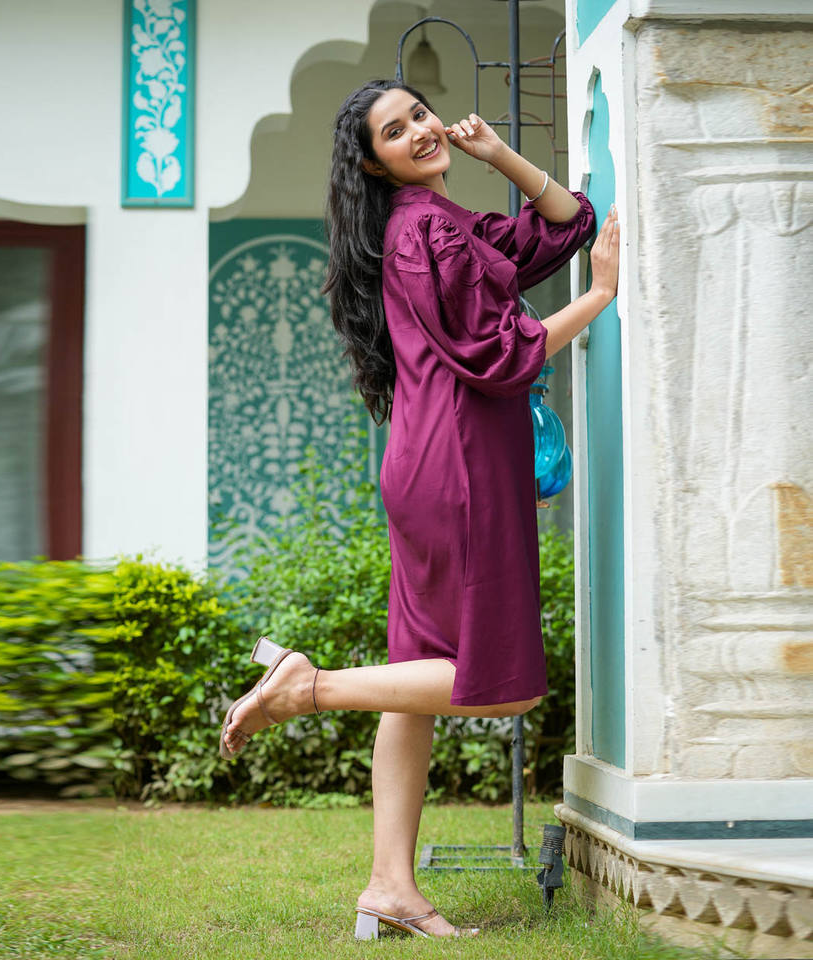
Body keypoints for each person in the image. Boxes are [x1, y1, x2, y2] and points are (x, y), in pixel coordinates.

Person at [220, 79, 620, 940]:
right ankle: (308, 687)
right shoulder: (427, 232)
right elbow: (501, 355)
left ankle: (388, 887)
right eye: (394, 131)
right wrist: (597, 299)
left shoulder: (433, 225)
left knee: (415, 682)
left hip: (426, 463)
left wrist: (496, 153)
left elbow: (563, 225)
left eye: (419, 115)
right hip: (462, 470)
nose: (419, 132)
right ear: (374, 163)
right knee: (499, 688)